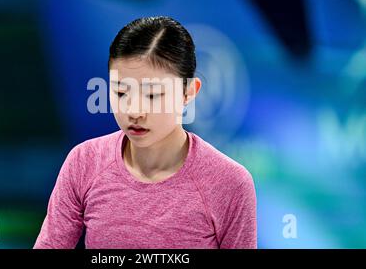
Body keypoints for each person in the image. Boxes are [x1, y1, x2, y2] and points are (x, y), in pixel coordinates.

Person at [34, 16, 257, 249]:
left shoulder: (230, 182)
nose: (134, 111)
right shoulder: (84, 162)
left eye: (152, 95)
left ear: (189, 92)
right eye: (120, 93)